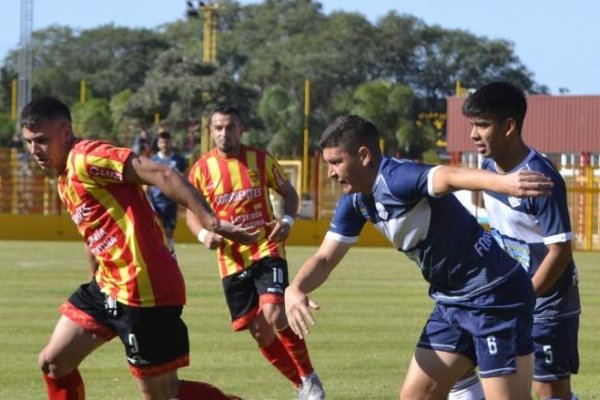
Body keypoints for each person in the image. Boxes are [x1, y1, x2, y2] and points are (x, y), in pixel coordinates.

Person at [284, 115, 554, 400]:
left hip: (496, 296)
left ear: (363, 155)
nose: (330, 172)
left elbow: (449, 176)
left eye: (336, 162)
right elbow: (325, 258)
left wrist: (505, 183)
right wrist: (296, 287)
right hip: (451, 302)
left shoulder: (398, 178)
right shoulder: (354, 200)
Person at [22, 96, 257, 400]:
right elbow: (94, 232)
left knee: (163, 394)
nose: (33, 151)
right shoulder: (64, 176)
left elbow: (163, 174)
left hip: (144, 289)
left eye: (41, 140)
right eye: (29, 142)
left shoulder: (88, 157)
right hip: (108, 285)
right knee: (53, 363)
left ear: (65, 132)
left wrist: (210, 220)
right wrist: (95, 275)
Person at [185, 105, 325, 400]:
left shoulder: (259, 160)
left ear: (241, 128)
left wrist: (287, 220)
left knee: (274, 313)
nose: (225, 133)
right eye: (219, 128)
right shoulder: (201, 170)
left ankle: (310, 377)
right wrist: (202, 234)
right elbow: (191, 212)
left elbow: (289, 192)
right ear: (211, 132)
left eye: (230, 127)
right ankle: (302, 386)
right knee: (260, 332)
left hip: (266, 247)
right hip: (230, 259)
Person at [460, 81, 580, 400]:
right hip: (507, 296)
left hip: (547, 301)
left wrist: (524, 298)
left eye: (482, 125)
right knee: (463, 365)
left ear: (509, 126)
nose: (473, 134)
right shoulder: (488, 168)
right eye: (472, 125)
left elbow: (561, 251)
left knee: (549, 390)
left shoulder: (540, 178)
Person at [148, 130, 188, 252]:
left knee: (169, 230)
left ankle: (170, 251)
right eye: (161, 141)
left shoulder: (179, 159)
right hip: (155, 201)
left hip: (171, 200)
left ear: (170, 142)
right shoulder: (153, 160)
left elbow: (184, 179)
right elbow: (147, 181)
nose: (164, 144)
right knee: (154, 229)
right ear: (158, 144)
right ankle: (155, 251)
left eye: (166, 141)